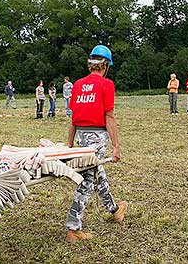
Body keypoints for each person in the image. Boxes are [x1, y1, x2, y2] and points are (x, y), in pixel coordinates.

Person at [66, 45, 127, 243]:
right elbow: (109, 116)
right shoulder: (106, 84)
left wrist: (70, 144)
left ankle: (115, 210)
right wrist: (116, 146)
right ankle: (74, 228)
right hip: (97, 138)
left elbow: (74, 118)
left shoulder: (77, 84)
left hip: (81, 136)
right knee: (88, 182)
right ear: (106, 65)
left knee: (97, 174)